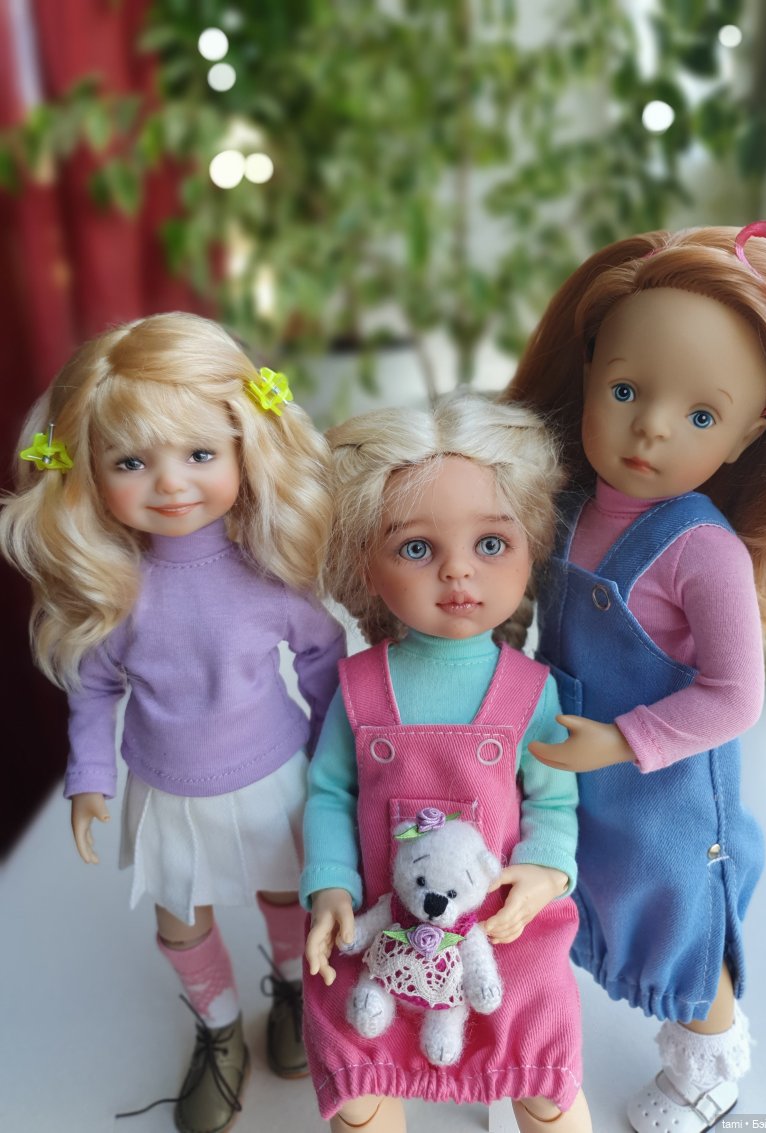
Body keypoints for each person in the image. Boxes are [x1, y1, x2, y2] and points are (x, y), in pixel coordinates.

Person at [503, 220, 766, 1132]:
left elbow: (736, 696)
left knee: (676, 920)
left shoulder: (703, 550)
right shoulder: (563, 505)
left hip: (668, 792)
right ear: (587, 372)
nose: (651, 427)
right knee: (576, 885)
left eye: (700, 416)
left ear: (742, 439)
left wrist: (623, 740)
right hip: (569, 762)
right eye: (625, 390)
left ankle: (714, 1061)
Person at [0, 312, 346, 1133]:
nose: (171, 484)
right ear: (88, 472)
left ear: (243, 449)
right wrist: (90, 779)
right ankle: (217, 1029)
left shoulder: (268, 575)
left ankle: (292, 990)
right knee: (179, 917)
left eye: (199, 454)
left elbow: (323, 663)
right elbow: (93, 689)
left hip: (273, 775)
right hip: (166, 789)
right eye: (132, 462)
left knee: (286, 891)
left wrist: (339, 766)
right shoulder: (116, 589)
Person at [300, 395, 592, 1132]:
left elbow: (554, 801)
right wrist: (330, 883)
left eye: (491, 543)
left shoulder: (530, 689)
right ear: (365, 563)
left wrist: (545, 871)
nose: (458, 570)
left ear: (530, 546)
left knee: (541, 1067)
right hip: (381, 922)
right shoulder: (361, 685)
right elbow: (330, 792)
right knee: (357, 1071)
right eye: (416, 548)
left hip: (502, 928)